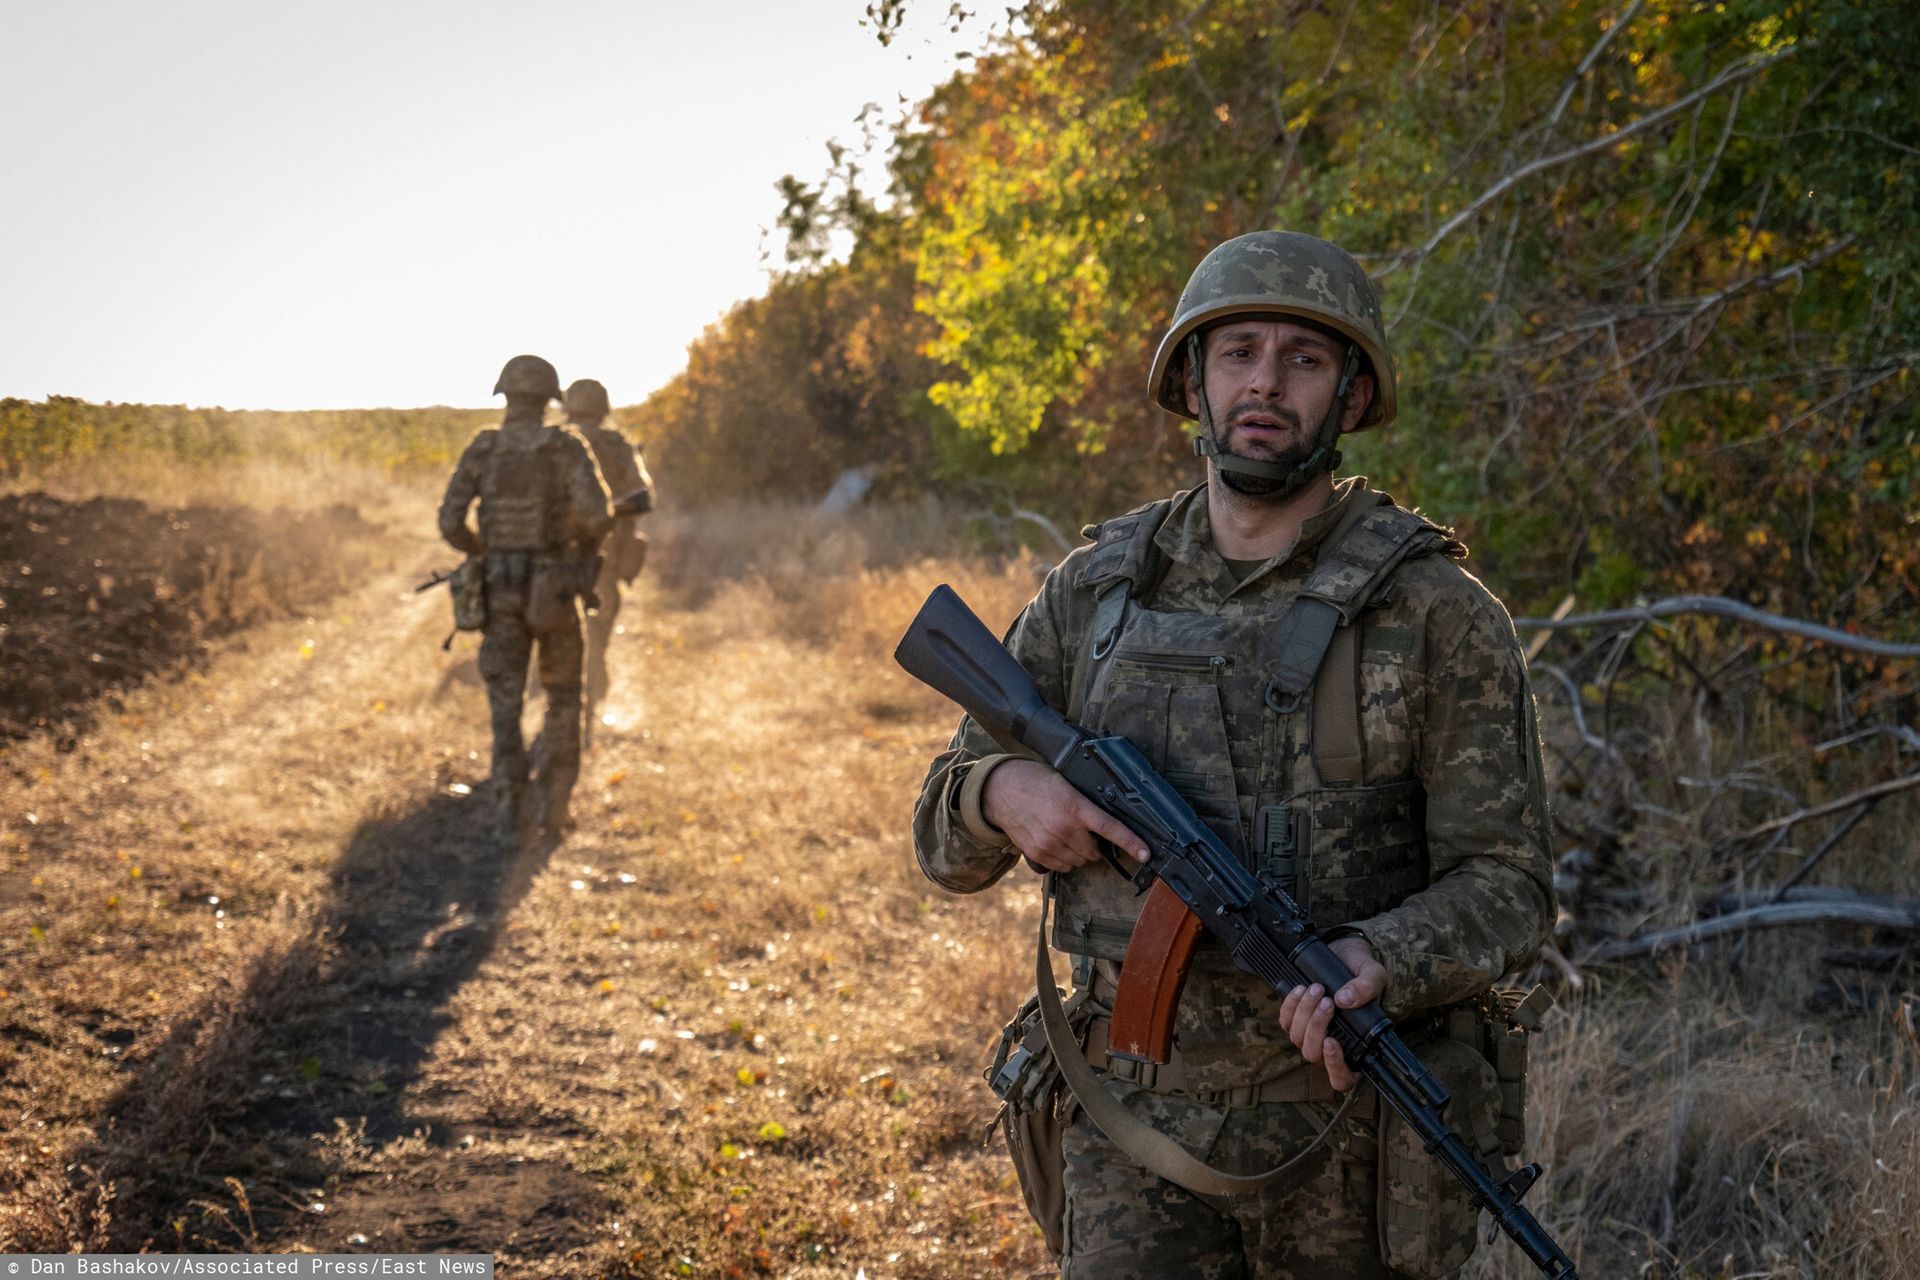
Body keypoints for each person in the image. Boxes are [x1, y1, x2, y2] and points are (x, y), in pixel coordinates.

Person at [911, 230, 1556, 1278]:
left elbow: (1513, 885)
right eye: (1238, 351)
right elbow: (941, 835)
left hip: (1349, 1140)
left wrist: (1380, 957)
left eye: (1304, 357)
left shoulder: (1436, 611)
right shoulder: (1096, 592)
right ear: (1192, 380)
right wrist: (1001, 790)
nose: (1266, 381)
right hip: (1129, 1129)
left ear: (1350, 395)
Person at [439, 355, 612, 841]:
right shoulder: (565, 448)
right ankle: (554, 810)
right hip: (555, 594)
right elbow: (599, 517)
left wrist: (484, 553)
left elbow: (450, 522)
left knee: (505, 704)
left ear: (506, 396)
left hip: (502, 594)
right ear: (548, 401)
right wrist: (579, 556)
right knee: (562, 699)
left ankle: (510, 817)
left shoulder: (484, 448)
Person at [563, 377, 654, 742]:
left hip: (557, 555)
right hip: (604, 554)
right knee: (596, 640)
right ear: (603, 408)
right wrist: (606, 513)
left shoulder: (554, 442)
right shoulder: (617, 445)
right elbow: (642, 498)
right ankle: (587, 718)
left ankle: (570, 718)